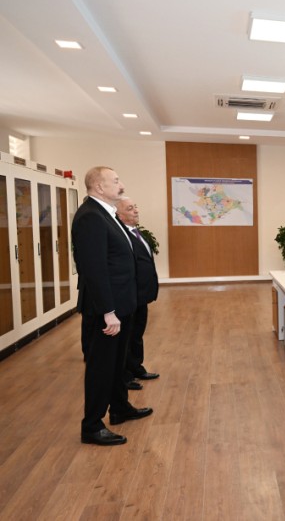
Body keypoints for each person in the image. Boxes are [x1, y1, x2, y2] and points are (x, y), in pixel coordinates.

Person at [72, 167, 153, 446]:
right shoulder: (90, 217)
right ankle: (92, 425)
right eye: (115, 181)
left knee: (118, 363)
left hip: (122, 305)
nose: (121, 185)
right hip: (108, 310)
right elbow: (94, 270)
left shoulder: (106, 214)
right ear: (98, 186)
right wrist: (108, 311)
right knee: (101, 367)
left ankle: (120, 408)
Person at [116, 197, 160, 390]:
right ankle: (125, 376)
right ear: (119, 214)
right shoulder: (121, 235)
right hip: (130, 296)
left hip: (141, 295)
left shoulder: (136, 232)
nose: (136, 211)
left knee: (137, 333)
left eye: (135, 207)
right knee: (127, 336)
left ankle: (136, 368)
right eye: (130, 208)